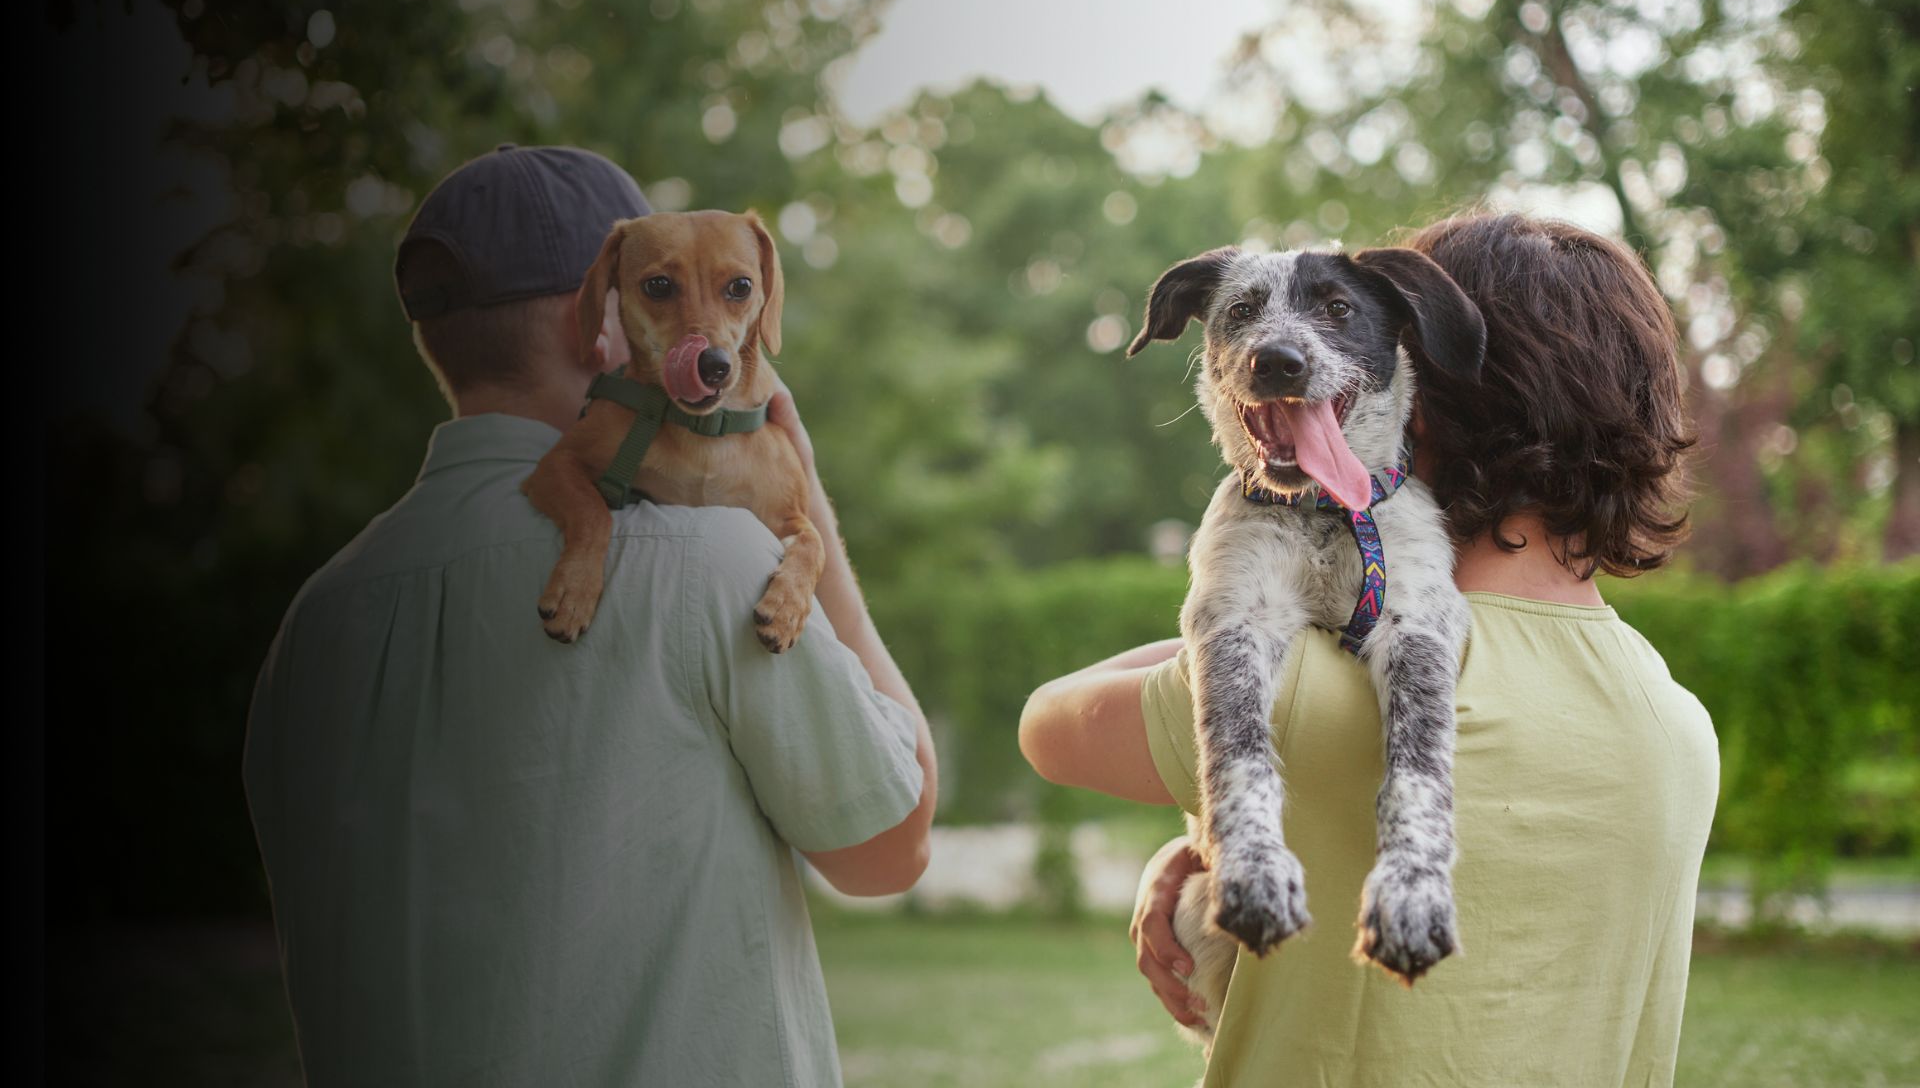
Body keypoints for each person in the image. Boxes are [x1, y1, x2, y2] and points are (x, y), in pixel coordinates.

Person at [242, 144, 937, 1086]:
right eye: (664, 289)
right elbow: (891, 845)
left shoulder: (312, 626)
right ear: (598, 327)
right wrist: (806, 504)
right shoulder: (713, 563)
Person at [1019, 213, 1718, 1086]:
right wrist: (1208, 836)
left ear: (1423, 396)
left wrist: (1209, 816)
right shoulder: (1681, 728)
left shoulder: (1309, 696)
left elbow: (1049, 724)